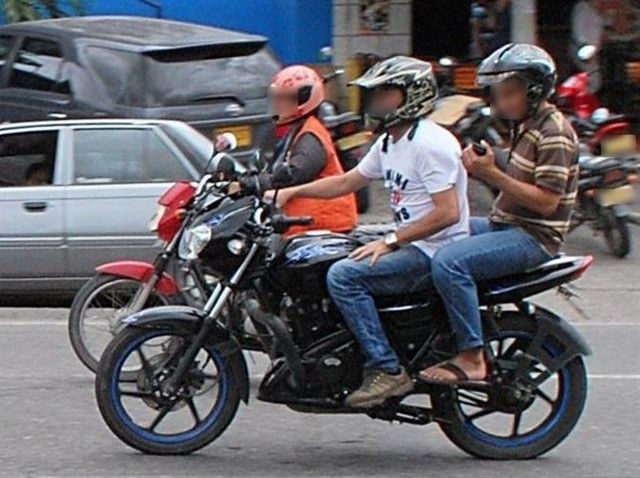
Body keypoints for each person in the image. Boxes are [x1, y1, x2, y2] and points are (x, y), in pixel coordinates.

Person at [275, 56, 469, 408]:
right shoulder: (391, 142)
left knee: (345, 276)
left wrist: (391, 241)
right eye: (374, 94)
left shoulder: (431, 144)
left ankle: (386, 368)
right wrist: (292, 192)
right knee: (330, 252)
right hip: (412, 240)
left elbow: (448, 213)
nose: (375, 102)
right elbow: (349, 181)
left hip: (434, 249)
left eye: (384, 94)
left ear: (412, 95)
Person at [419, 43, 579, 385]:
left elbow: (547, 202)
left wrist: (490, 174)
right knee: (433, 233)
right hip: (505, 224)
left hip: (532, 237)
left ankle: (472, 357)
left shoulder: (554, 133)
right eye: (498, 94)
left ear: (535, 90)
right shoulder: (528, 124)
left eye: (510, 94)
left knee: (449, 262)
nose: (502, 103)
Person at [218, 65, 357, 236]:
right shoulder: (295, 131)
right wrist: (243, 178)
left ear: (304, 100)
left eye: (284, 99)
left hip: (323, 224)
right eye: (276, 98)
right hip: (301, 222)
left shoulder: (311, 136)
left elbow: (294, 173)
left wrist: (251, 184)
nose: (277, 104)